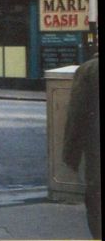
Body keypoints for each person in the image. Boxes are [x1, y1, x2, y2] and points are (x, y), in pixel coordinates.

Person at [63, 52, 100, 238]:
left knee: (96, 200)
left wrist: (71, 154)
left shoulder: (89, 69)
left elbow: (77, 115)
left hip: (97, 150)